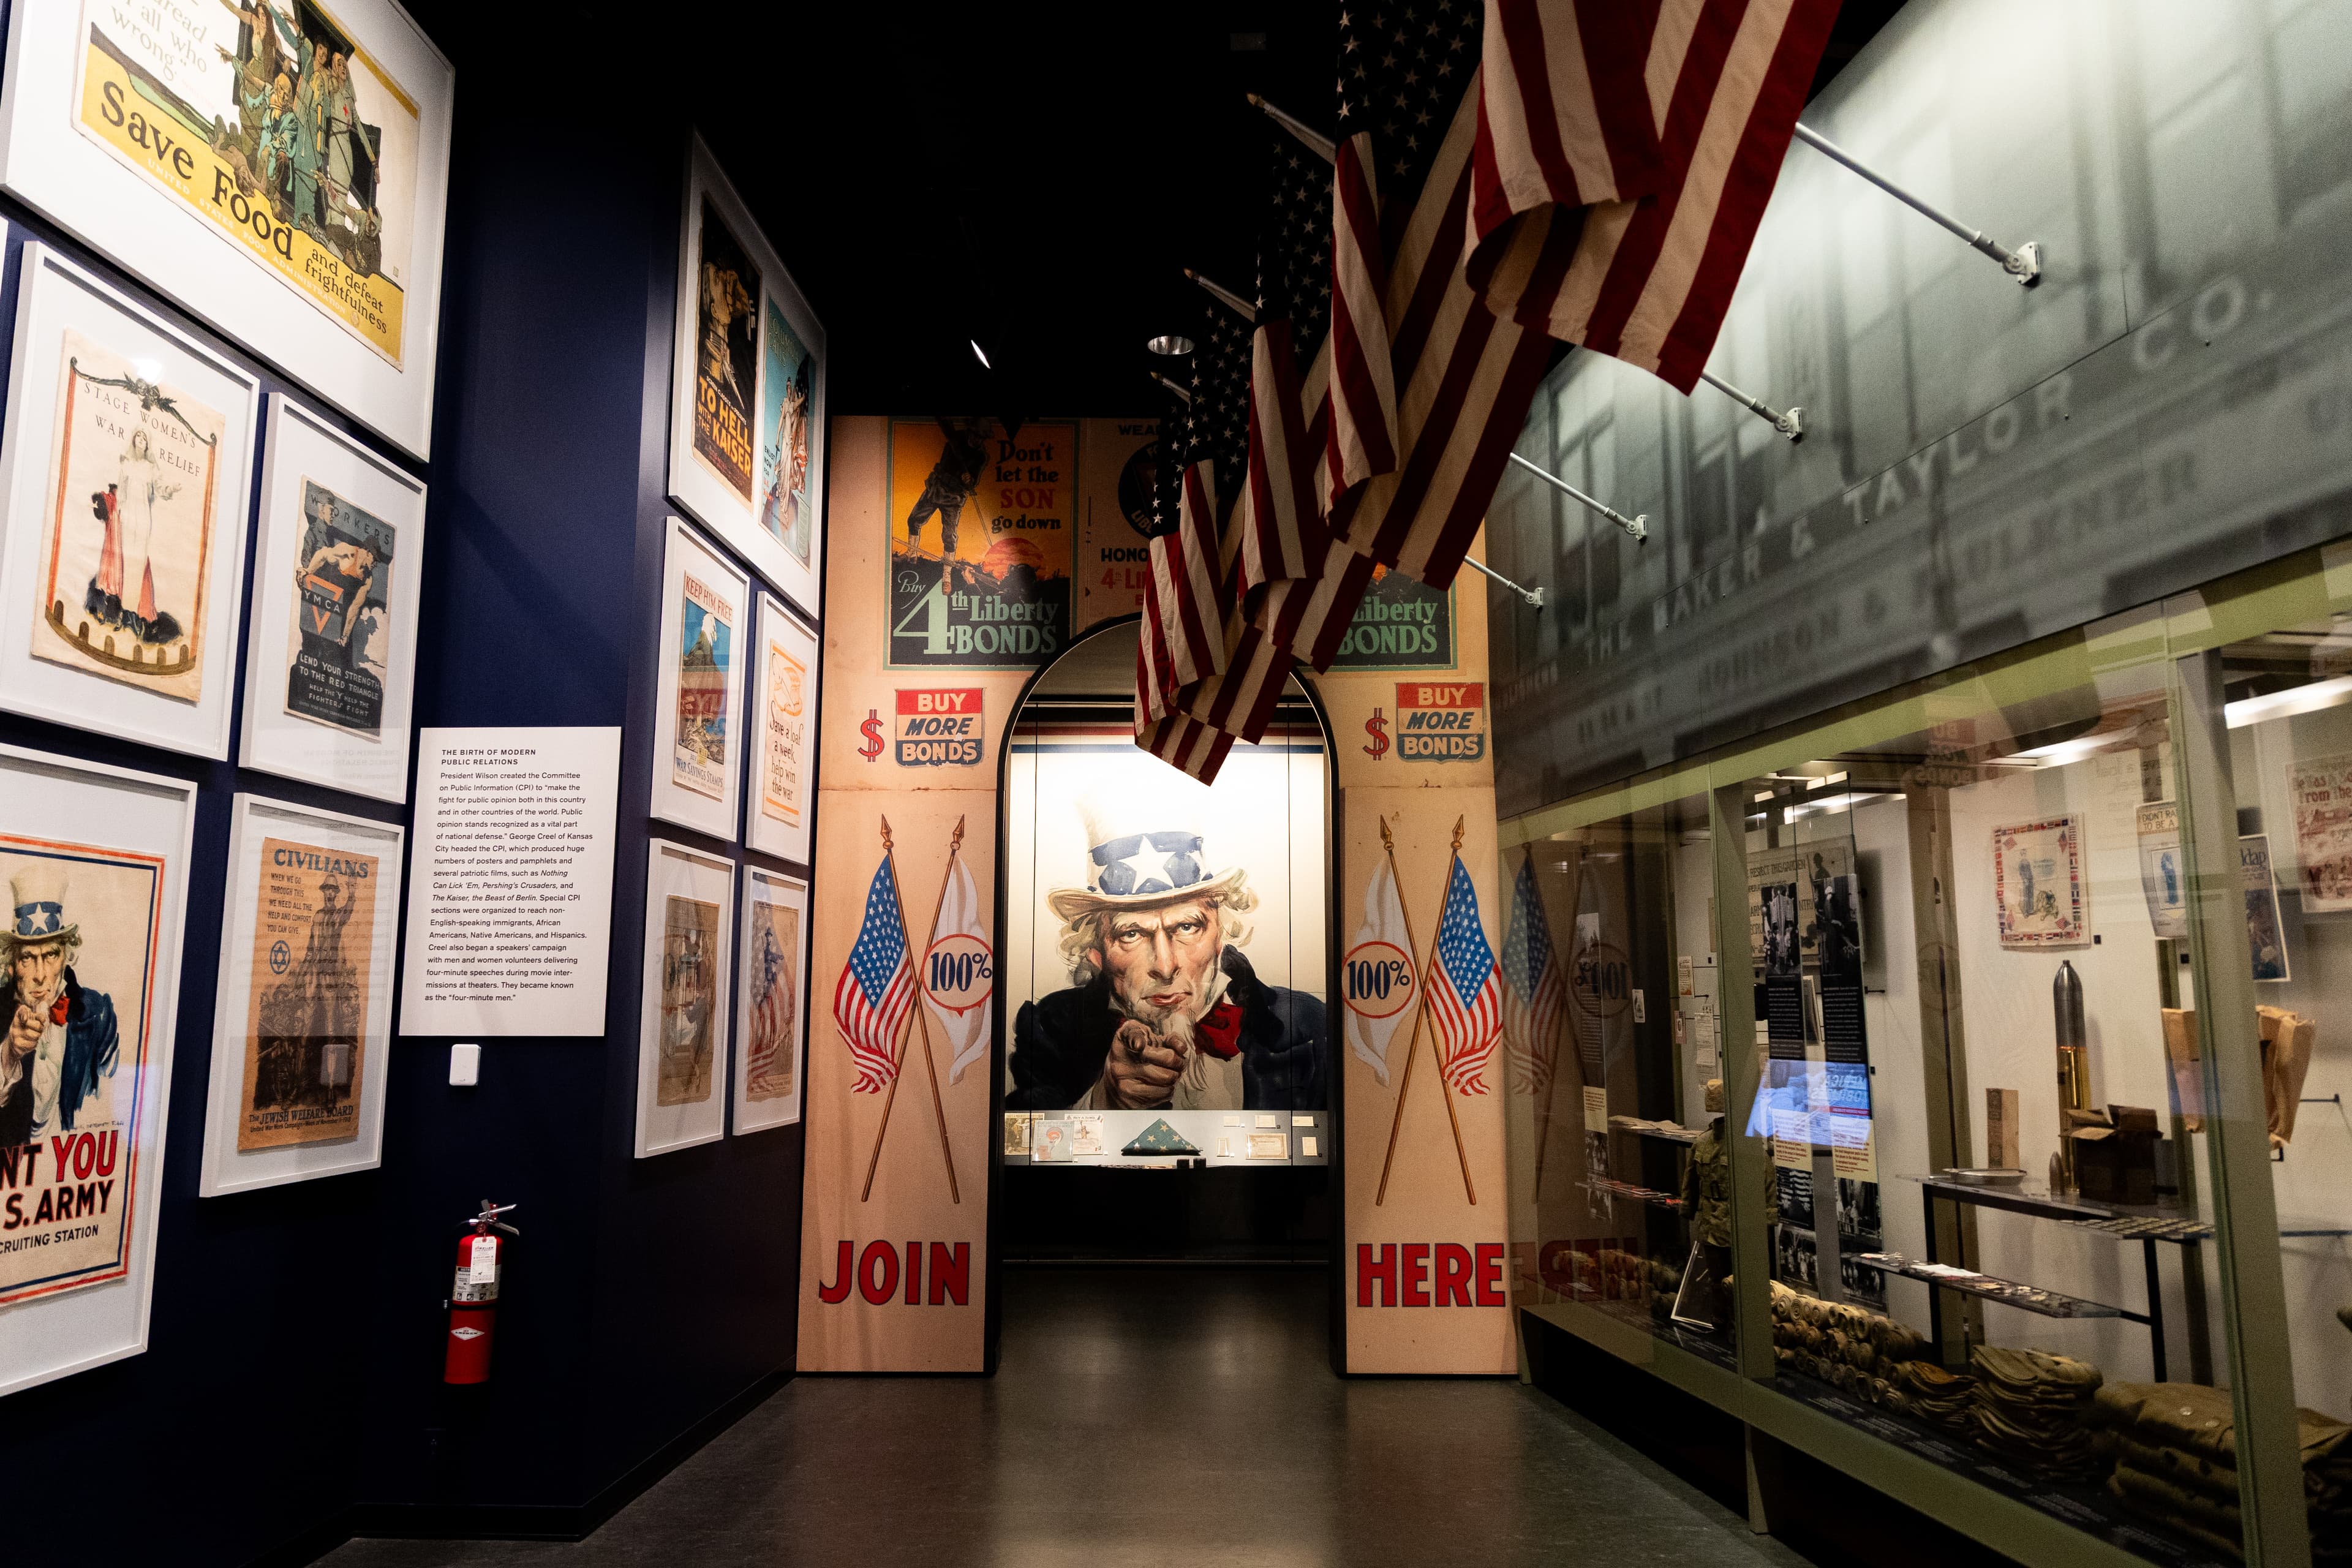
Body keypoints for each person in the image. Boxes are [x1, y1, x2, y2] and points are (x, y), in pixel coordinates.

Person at [1008, 796, 1325, 1112]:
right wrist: (1105, 1100)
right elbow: (1026, 1138)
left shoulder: (1306, 1022)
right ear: (1096, 954)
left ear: (1221, 935)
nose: (1165, 965)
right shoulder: (1050, 1028)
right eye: (1131, 934)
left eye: (1187, 927)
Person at [0, 865, 119, 1149]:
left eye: (51, 954)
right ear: (13, 965)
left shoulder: (98, 1012)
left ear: (66, 956)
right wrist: (9, 1054)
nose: (40, 975)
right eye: (28, 957)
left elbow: (108, 1103)